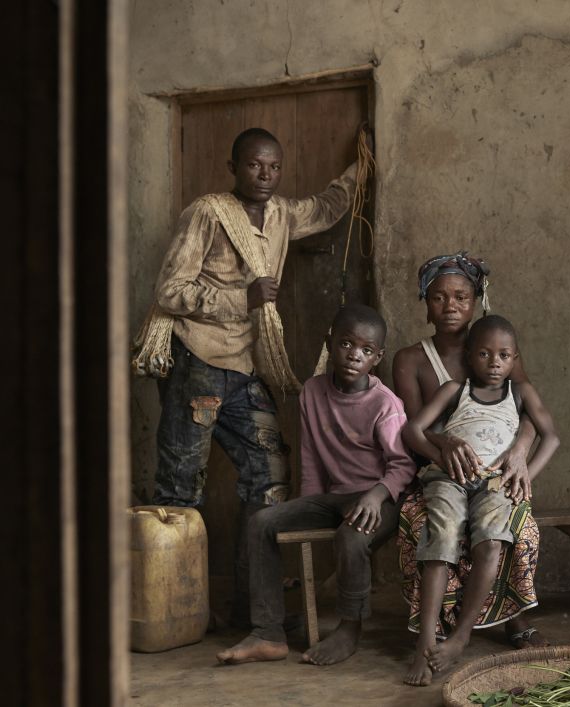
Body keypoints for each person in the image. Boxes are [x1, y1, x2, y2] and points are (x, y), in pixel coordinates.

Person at [149, 127, 361, 626]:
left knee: (269, 480)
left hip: (245, 369)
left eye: (273, 167)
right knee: (180, 491)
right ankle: (177, 614)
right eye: (253, 166)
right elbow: (168, 291)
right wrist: (238, 300)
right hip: (196, 364)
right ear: (233, 168)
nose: (265, 176)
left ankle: (251, 612)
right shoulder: (208, 213)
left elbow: (328, 207)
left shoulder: (283, 214)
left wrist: (361, 167)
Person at [217, 304, 416, 665]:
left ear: (377, 357)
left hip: (379, 499)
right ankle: (268, 633)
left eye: (366, 350)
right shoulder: (312, 391)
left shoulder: (384, 404)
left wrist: (376, 494)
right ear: (330, 342)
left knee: (351, 535)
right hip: (333, 498)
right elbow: (310, 457)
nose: (354, 354)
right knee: (261, 522)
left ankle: (349, 629)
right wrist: (307, 511)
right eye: (346, 344)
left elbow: (403, 465)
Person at [392, 253, 548, 652]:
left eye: (461, 297)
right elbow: (414, 428)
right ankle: (435, 631)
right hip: (438, 470)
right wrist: (445, 446)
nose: (451, 307)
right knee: (429, 526)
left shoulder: (496, 349)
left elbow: (528, 411)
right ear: (425, 304)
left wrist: (520, 450)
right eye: (439, 298)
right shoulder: (411, 359)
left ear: (477, 301)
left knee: (514, 522)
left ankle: (511, 615)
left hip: (495, 469)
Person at [402, 315, 559, 685]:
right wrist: (440, 453)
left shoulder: (521, 394)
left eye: (504, 355)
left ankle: (461, 637)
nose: (494, 363)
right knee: (440, 539)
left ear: (515, 358)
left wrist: (522, 477)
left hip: (495, 483)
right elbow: (412, 429)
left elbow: (551, 437)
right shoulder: (454, 389)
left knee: (490, 543)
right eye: (485, 354)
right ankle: (425, 640)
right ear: (470, 356)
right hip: (449, 478)